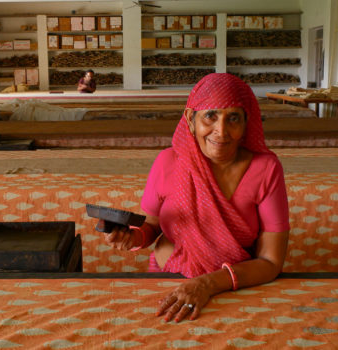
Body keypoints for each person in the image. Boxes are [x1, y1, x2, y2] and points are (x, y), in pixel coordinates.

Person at [103, 73, 290, 322]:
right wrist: (131, 238)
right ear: (191, 119)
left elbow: (270, 261)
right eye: (210, 116)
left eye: (233, 118)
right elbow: (150, 228)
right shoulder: (168, 162)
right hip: (169, 281)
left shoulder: (265, 169)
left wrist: (207, 284)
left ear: (247, 123)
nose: (221, 131)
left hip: (235, 285)